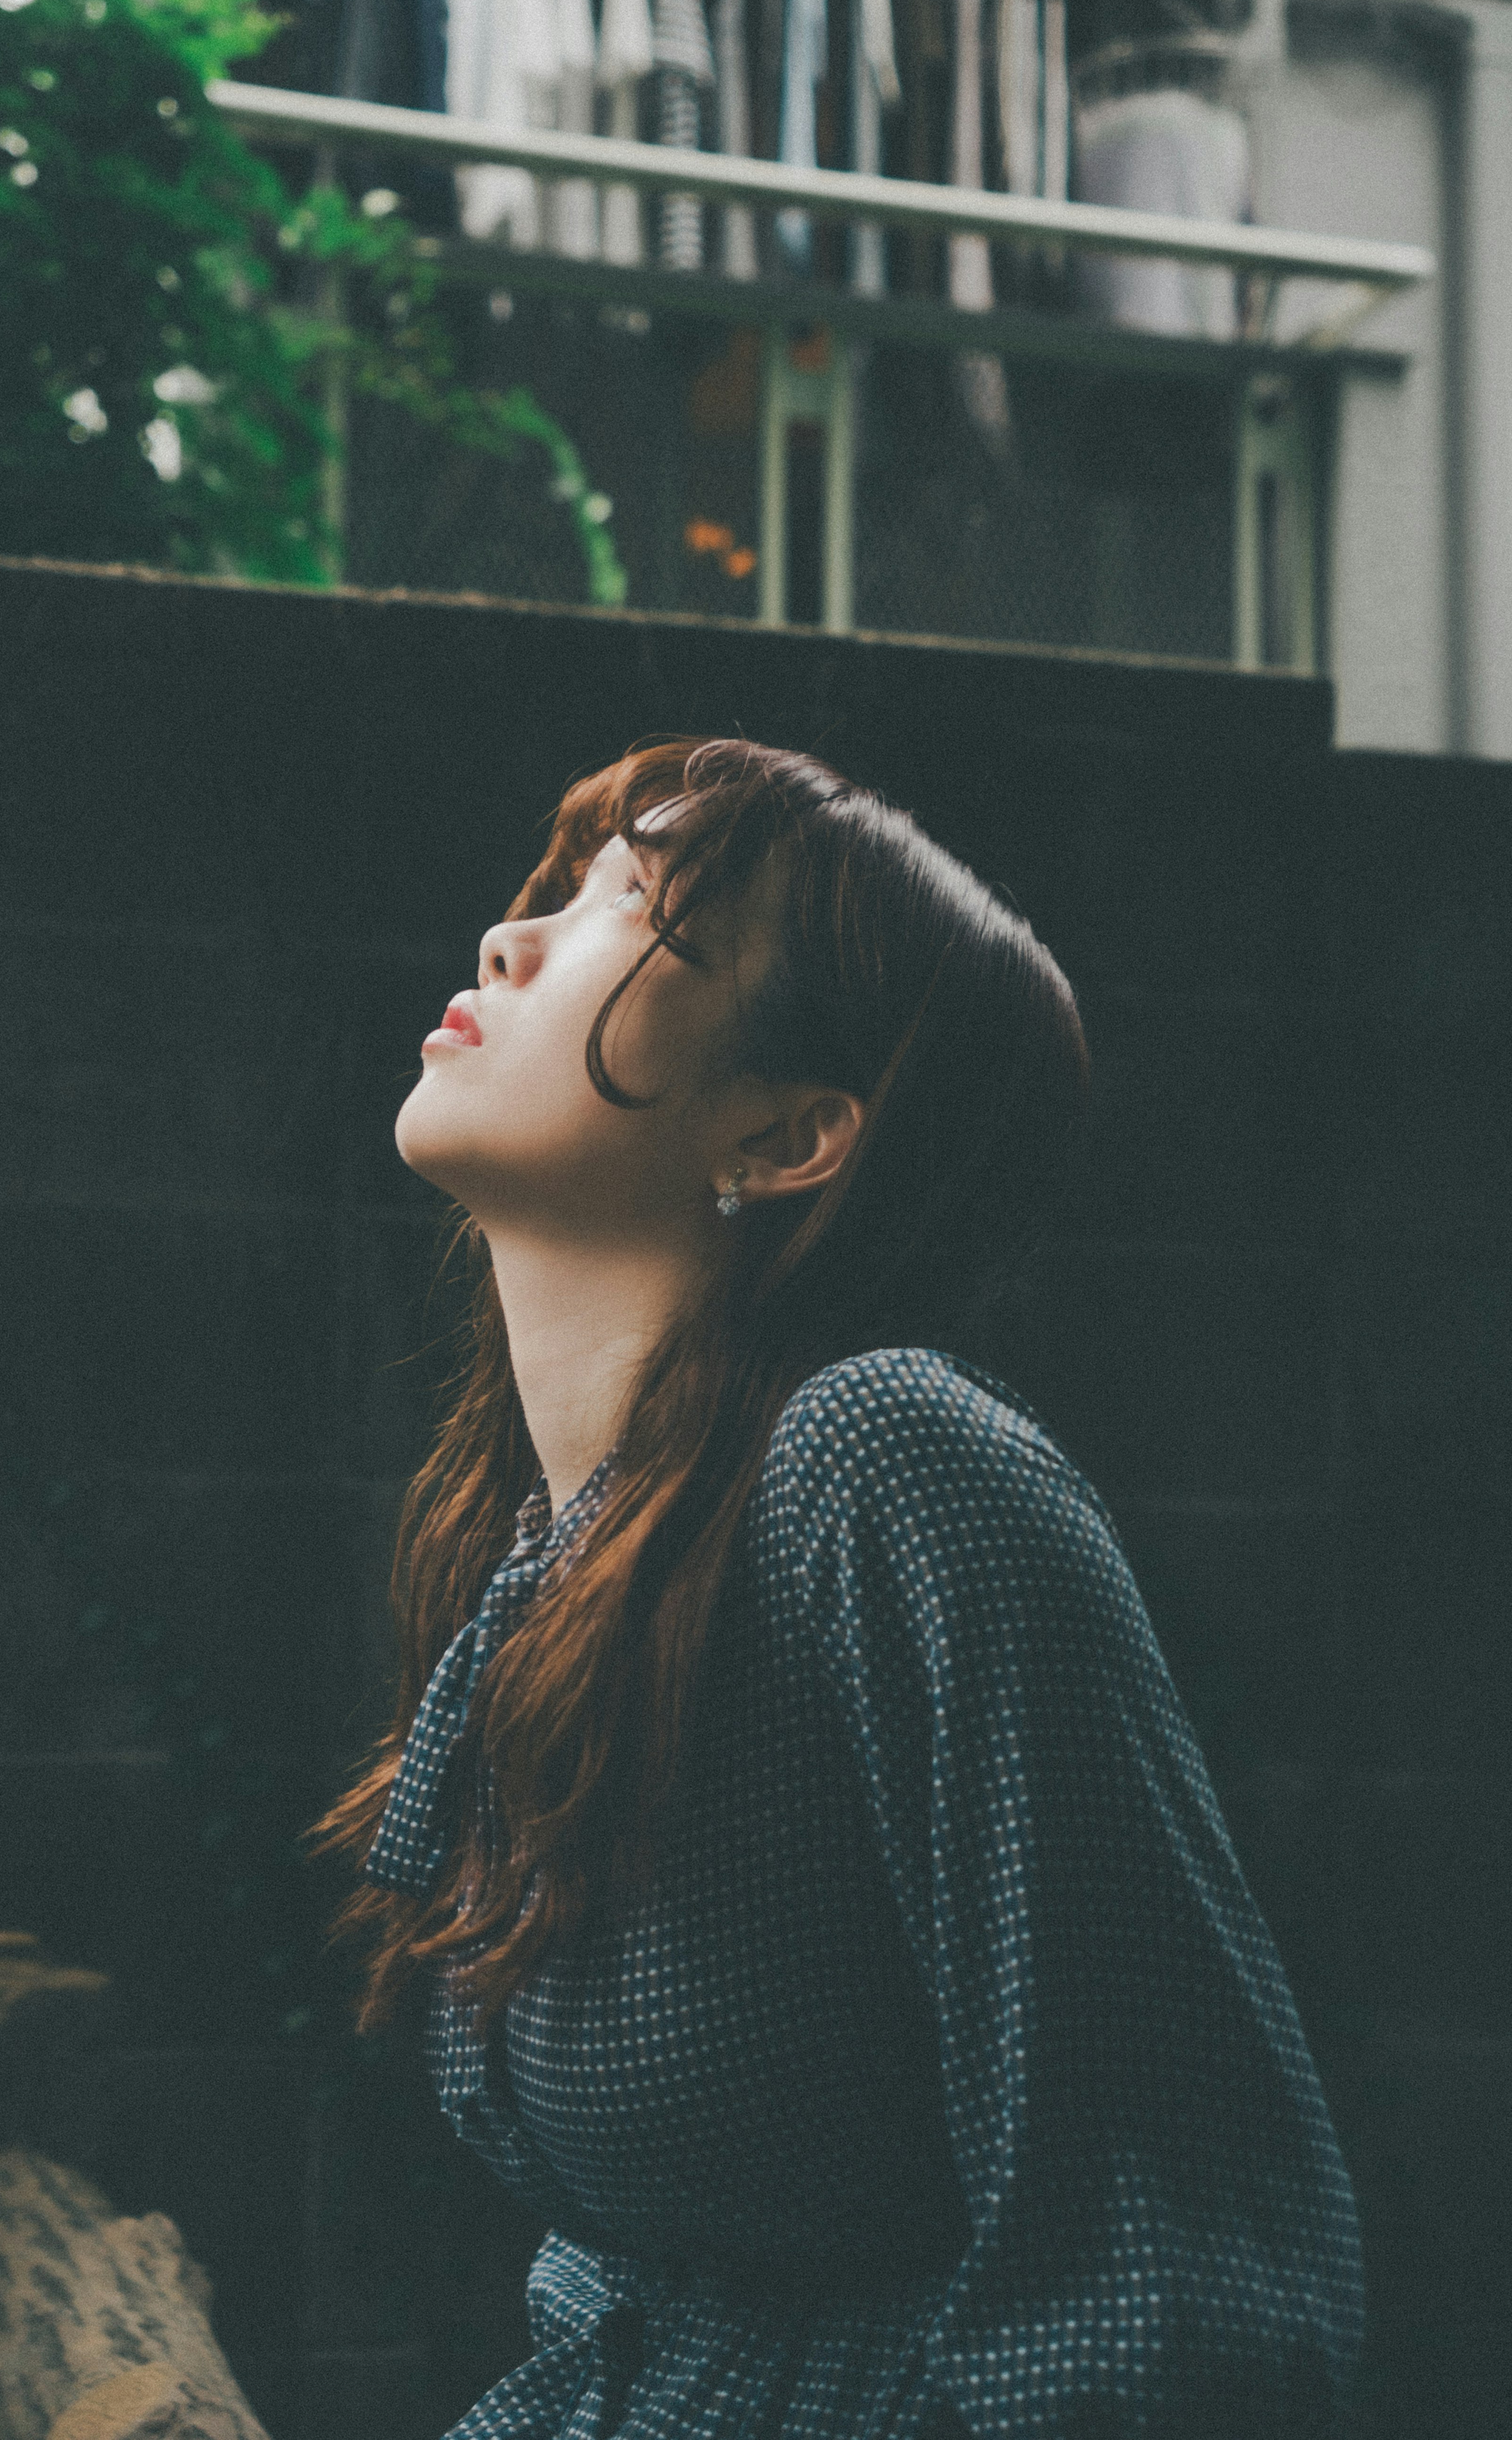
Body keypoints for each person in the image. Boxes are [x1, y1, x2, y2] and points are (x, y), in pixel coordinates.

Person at [305, 735, 1365, 2438]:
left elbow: (1179, 2263)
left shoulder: (885, 1467)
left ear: (791, 1133)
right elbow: (641, 2270)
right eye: (565, 889)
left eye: (633, 916)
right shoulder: (550, 1564)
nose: (511, 942)